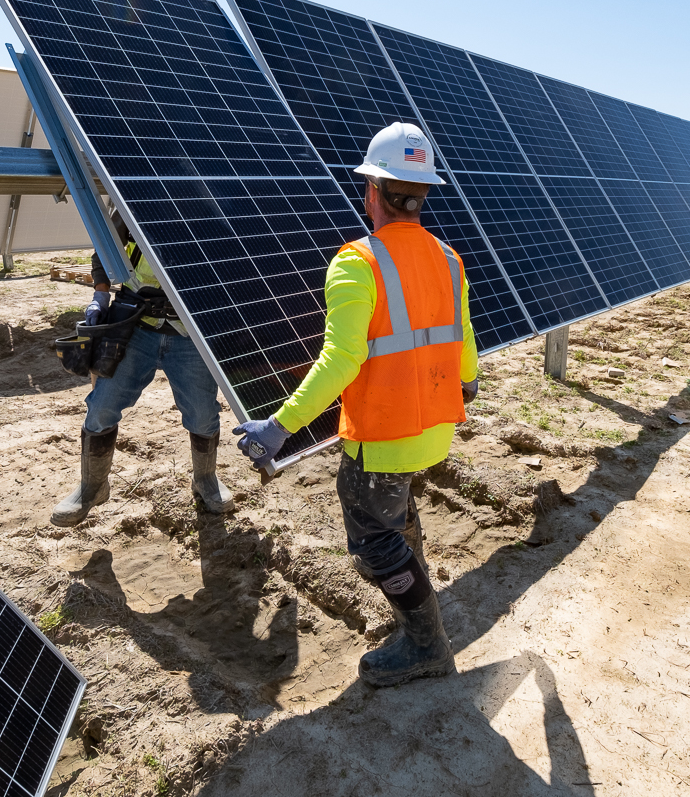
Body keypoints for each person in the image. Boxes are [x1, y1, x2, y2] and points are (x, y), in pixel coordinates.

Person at [232, 122, 478, 687]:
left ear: (372, 191)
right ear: (421, 194)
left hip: (383, 435)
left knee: (374, 544)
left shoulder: (356, 263)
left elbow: (340, 360)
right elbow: (464, 346)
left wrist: (280, 426)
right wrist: (465, 382)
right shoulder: (449, 260)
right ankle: (420, 613)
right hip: (435, 425)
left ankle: (426, 645)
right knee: (397, 518)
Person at [49, 211, 228, 526]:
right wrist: (100, 295)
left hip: (190, 334)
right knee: (102, 406)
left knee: (203, 413)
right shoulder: (132, 194)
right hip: (136, 327)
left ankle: (205, 479)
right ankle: (93, 487)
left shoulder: (213, 200)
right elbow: (105, 249)